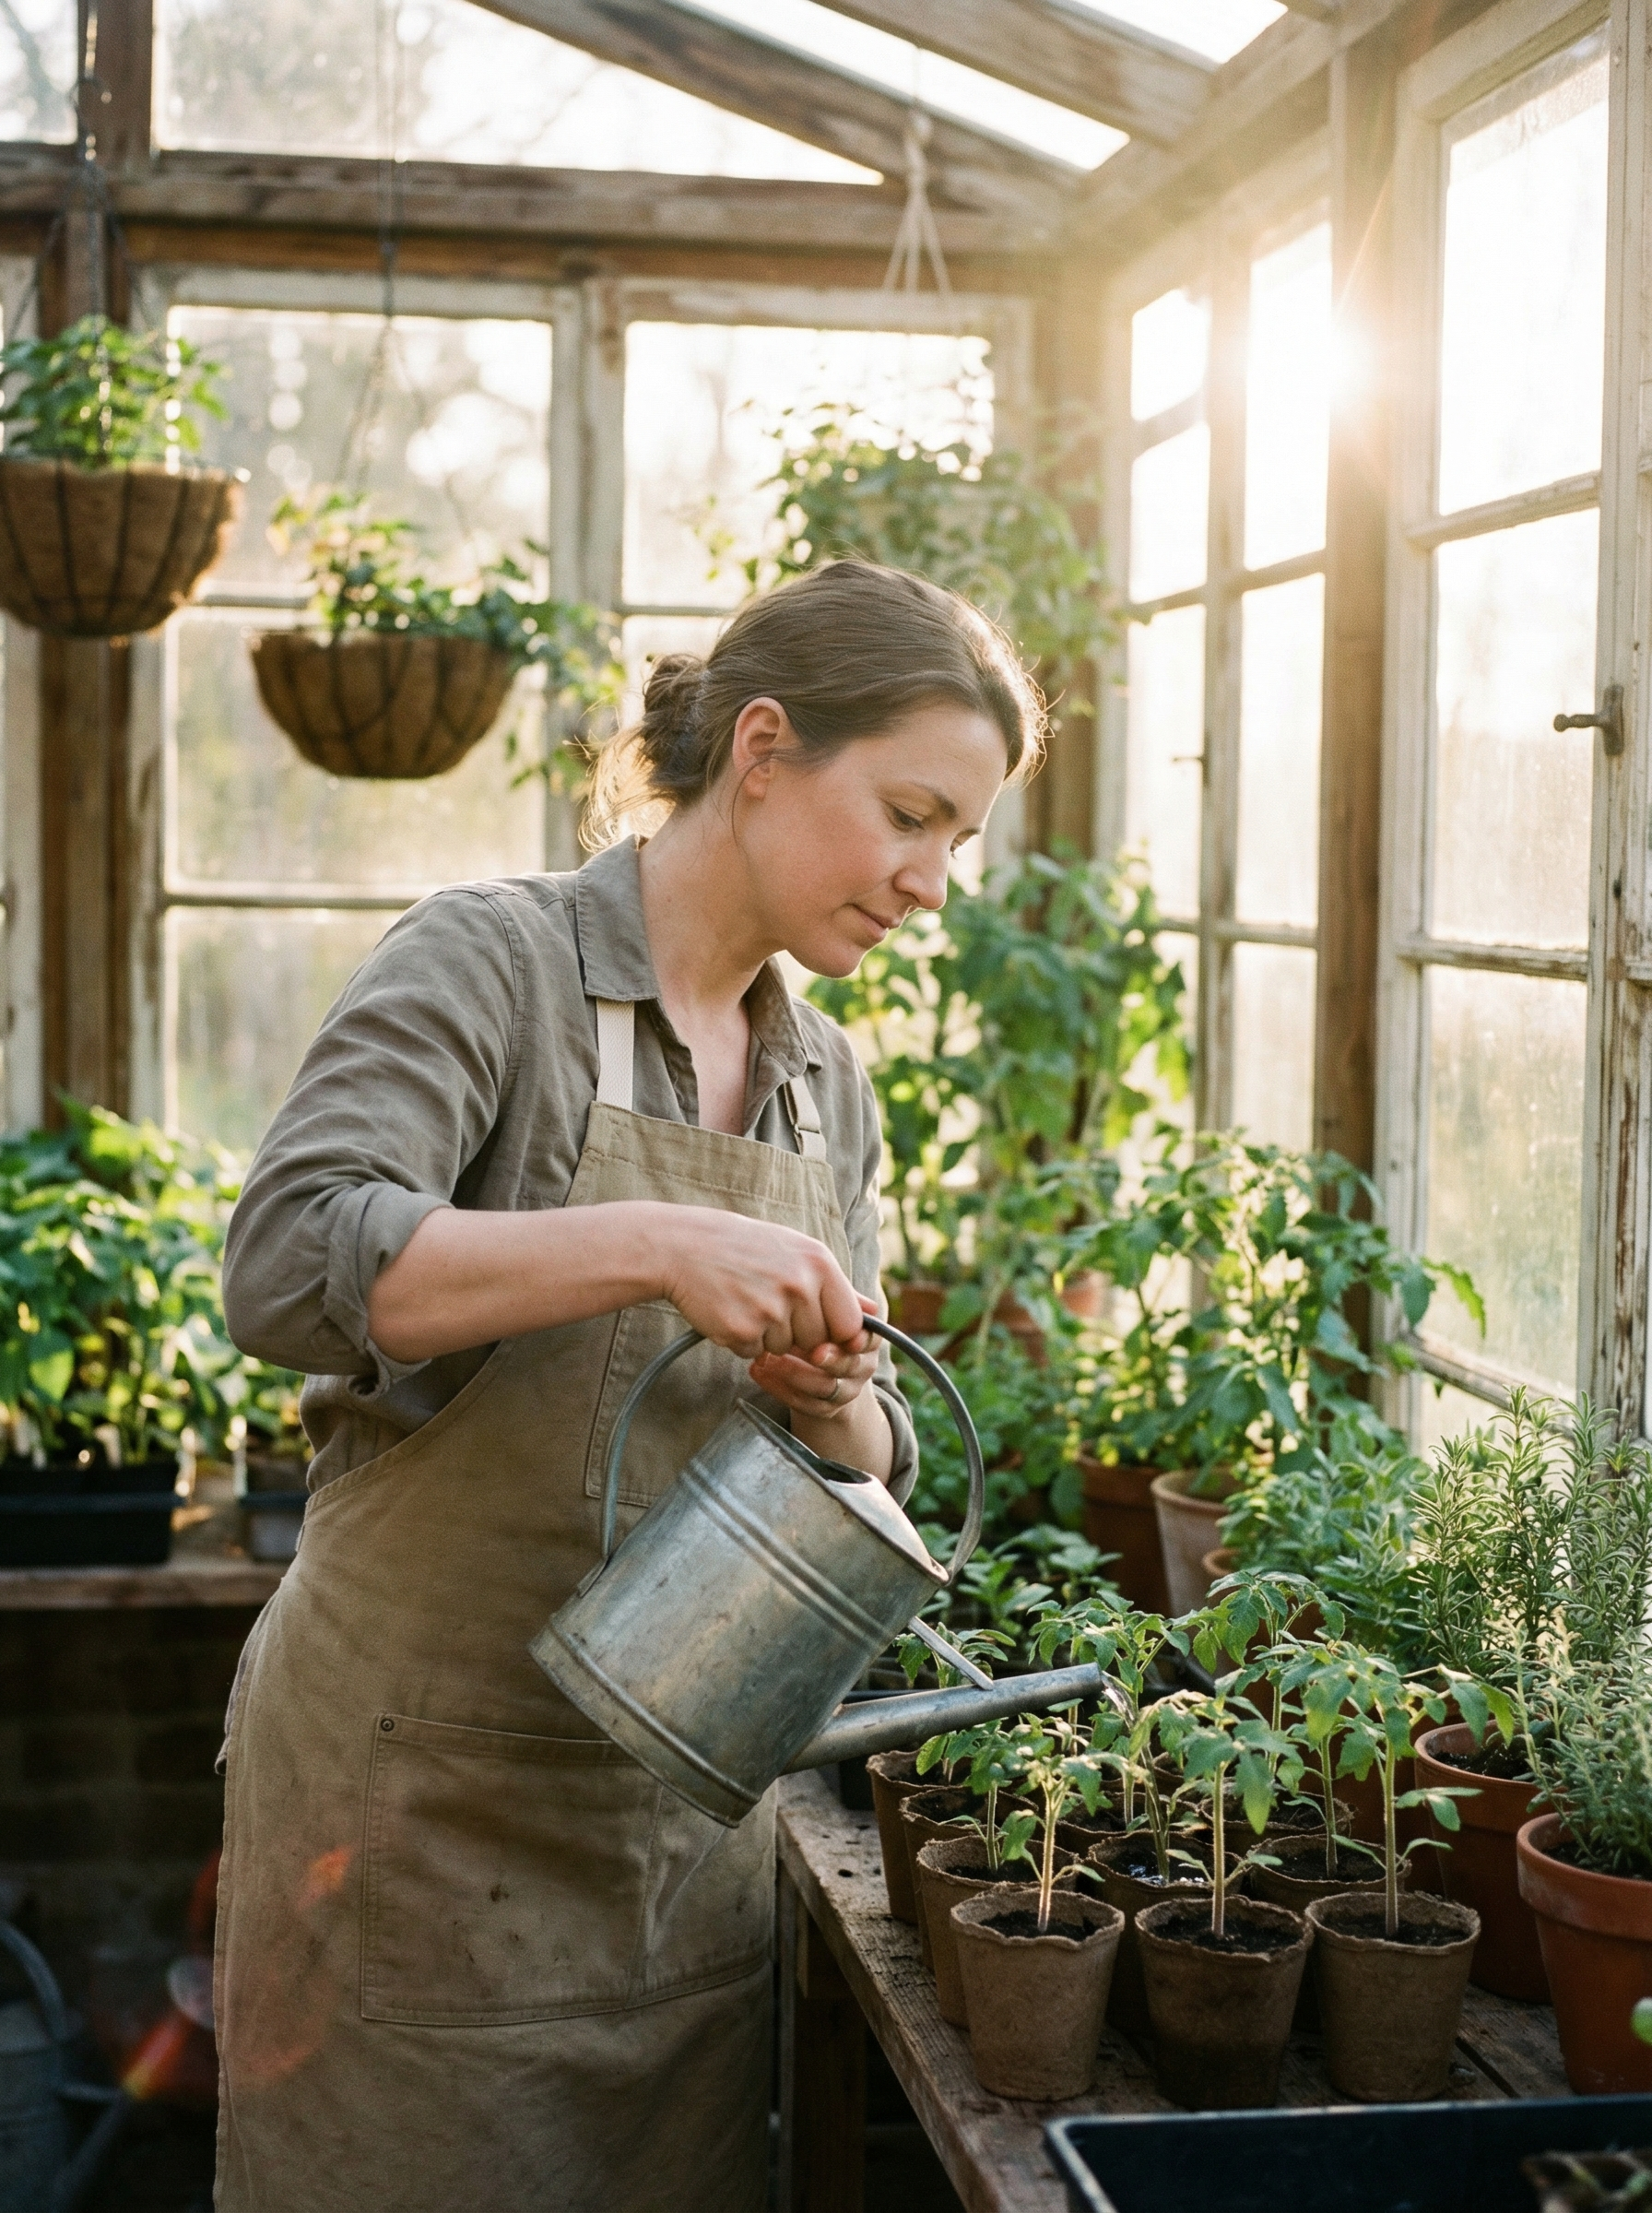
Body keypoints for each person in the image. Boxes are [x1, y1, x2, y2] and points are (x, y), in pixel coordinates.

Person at [215, 557, 1044, 2212]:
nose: (934, 880)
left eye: (958, 839)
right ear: (759, 750)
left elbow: (862, 1449)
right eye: (910, 812)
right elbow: (292, 1261)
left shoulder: (824, 1085)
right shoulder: (494, 970)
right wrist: (654, 1238)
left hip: (675, 1853)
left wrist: (828, 1399)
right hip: (414, 1829)